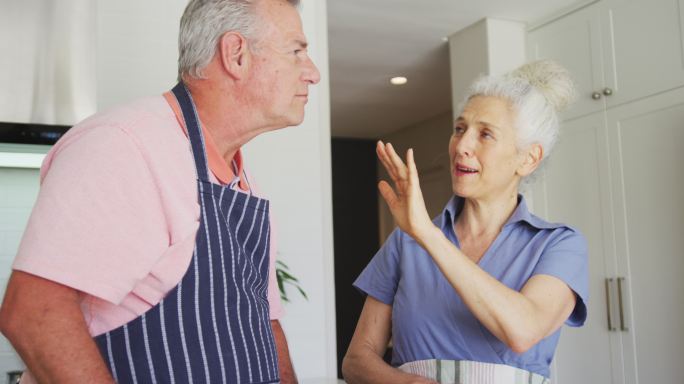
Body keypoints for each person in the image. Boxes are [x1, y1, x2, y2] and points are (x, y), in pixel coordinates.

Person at [0, 0, 320, 383]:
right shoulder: (124, 145)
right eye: (297, 51)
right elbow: (34, 312)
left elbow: (265, 323)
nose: (313, 73)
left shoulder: (240, 180)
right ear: (236, 55)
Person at [342, 60, 588, 384]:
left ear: (528, 159)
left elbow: (523, 330)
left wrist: (428, 236)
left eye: (485, 134)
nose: (462, 146)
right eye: (460, 129)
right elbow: (356, 361)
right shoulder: (405, 242)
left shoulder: (558, 244)